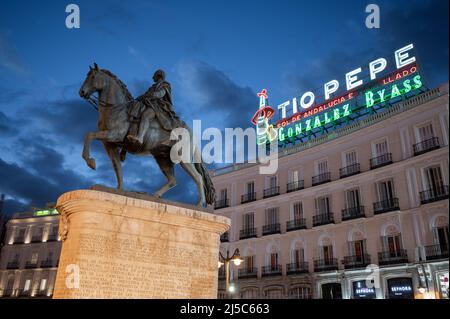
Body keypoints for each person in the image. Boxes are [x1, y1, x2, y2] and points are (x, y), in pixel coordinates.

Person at [127, 69, 181, 145]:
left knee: (145, 115)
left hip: (158, 106)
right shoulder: (152, 87)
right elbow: (146, 94)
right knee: (136, 110)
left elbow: (160, 94)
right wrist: (140, 97)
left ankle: (140, 137)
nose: (153, 78)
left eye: (154, 76)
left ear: (159, 76)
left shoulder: (165, 85)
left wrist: (151, 95)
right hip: (149, 103)